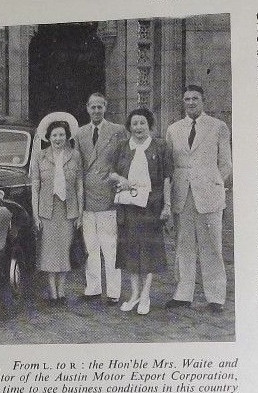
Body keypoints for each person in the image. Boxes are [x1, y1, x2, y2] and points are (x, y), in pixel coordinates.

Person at [165, 85, 232, 313]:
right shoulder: (174, 129)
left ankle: (216, 297)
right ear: (183, 102)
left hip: (209, 195)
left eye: (195, 99)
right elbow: (171, 165)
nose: (191, 102)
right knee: (183, 245)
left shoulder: (217, 127)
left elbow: (225, 164)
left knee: (212, 246)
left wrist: (213, 183)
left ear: (203, 101)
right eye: (187, 99)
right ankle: (183, 294)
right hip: (183, 195)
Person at [110, 108, 171, 315]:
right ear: (129, 127)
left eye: (142, 123)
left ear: (149, 125)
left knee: (149, 251)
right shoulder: (122, 147)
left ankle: (145, 294)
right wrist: (121, 180)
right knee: (129, 251)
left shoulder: (160, 146)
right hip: (128, 209)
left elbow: (166, 178)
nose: (138, 127)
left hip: (151, 207)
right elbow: (111, 173)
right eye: (134, 123)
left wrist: (167, 205)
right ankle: (134, 293)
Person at [76, 92, 128, 304]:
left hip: (108, 195)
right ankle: (93, 287)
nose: (96, 111)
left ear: (105, 108)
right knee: (90, 246)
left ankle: (114, 291)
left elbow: (124, 161)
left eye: (100, 107)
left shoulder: (117, 131)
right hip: (87, 196)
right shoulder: (79, 133)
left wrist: (119, 183)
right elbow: (78, 167)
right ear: (87, 108)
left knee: (110, 245)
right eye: (93, 107)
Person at [31, 112, 83, 304]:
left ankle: (61, 291)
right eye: (55, 135)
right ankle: (52, 293)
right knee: (48, 253)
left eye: (61, 135)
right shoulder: (40, 156)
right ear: (49, 137)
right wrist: (36, 214)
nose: (58, 138)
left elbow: (79, 185)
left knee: (64, 252)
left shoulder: (75, 155)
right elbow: (35, 186)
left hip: (68, 210)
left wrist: (80, 213)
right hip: (47, 210)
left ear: (67, 136)